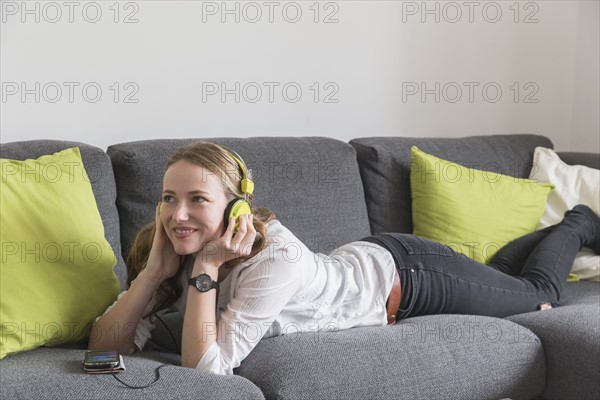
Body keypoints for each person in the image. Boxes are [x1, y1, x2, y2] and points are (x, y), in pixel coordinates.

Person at [88, 141, 600, 376]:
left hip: (414, 277)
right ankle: (549, 236)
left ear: (236, 205)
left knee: (537, 296)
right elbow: (103, 345)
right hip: (374, 261)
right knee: (506, 277)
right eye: (167, 197)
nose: (177, 214)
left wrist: (203, 272)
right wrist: (155, 272)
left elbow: (208, 370)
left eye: (197, 199)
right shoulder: (167, 248)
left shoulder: (274, 257)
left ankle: (579, 221)